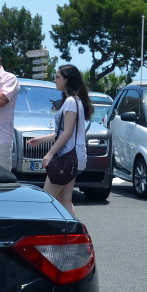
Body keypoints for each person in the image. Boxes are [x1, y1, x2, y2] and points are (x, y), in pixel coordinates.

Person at [29, 65, 92, 216]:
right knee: (64, 201)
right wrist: (41, 140)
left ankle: (44, 237)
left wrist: (50, 154)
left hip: (68, 158)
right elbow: (65, 132)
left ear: (67, 80)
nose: (55, 80)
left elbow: (68, 132)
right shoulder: (76, 100)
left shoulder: (71, 101)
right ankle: (75, 237)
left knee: (46, 200)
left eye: (58, 77)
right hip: (74, 158)